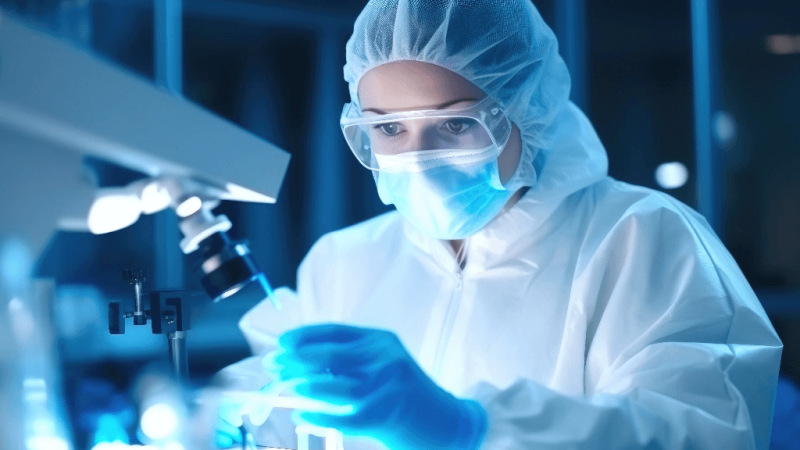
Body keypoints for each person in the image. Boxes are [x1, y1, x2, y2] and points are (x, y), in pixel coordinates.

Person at [214, 0, 782, 448]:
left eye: (456, 126)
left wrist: (469, 429)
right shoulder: (344, 262)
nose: (419, 160)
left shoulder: (643, 238)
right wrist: (240, 421)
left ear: (525, 109)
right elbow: (283, 414)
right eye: (388, 130)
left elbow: (700, 434)